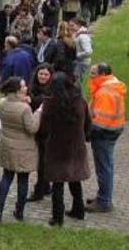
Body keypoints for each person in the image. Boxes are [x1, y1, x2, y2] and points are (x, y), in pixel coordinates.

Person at [40, 72, 91, 226]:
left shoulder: (51, 104)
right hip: (76, 147)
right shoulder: (80, 102)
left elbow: (44, 127)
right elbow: (88, 124)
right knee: (75, 179)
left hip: (57, 148)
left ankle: (57, 217)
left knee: (57, 183)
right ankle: (79, 209)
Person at [0, 77, 42, 222]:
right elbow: (32, 128)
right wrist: (38, 113)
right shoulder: (24, 109)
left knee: (6, 177)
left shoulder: (2, 103)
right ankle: (19, 211)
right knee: (23, 180)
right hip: (24, 148)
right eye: (23, 86)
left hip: (8, 145)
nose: (26, 87)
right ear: (17, 90)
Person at [86, 62, 126, 213]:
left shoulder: (105, 92)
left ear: (102, 74)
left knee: (104, 167)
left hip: (104, 134)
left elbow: (99, 123)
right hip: (112, 130)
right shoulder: (111, 86)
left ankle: (104, 201)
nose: (91, 75)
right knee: (105, 166)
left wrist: (88, 133)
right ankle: (103, 196)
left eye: (93, 73)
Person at [28, 64, 54, 202]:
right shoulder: (32, 87)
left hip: (46, 130)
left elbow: (45, 103)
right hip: (35, 127)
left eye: (46, 74)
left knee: (43, 161)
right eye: (40, 74)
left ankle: (41, 189)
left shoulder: (52, 90)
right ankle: (45, 185)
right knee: (41, 159)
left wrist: (31, 100)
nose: (42, 77)